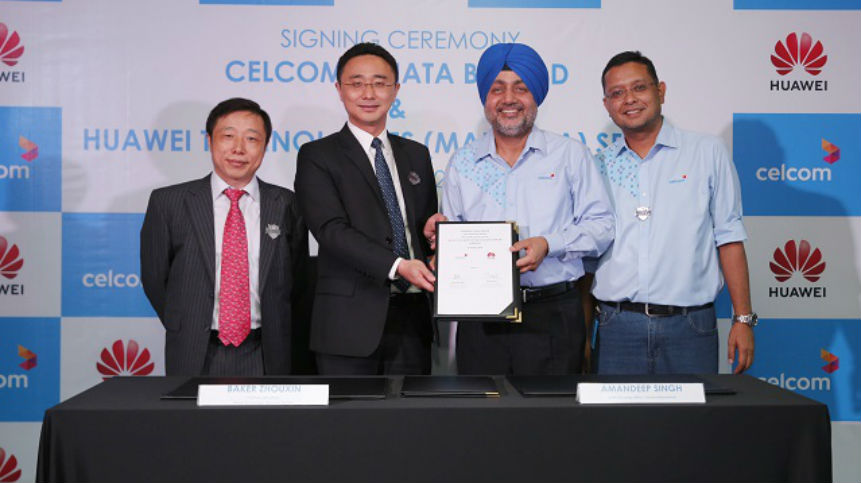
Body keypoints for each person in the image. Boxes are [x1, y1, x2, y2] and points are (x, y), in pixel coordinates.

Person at [425, 43, 615, 375]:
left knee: (550, 409)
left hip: (553, 314)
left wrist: (549, 244)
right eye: (497, 89)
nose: (509, 99)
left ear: (536, 96)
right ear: (485, 98)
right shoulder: (463, 161)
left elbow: (602, 226)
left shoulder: (570, 155)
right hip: (480, 319)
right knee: (482, 408)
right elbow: (453, 233)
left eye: (521, 88)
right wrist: (442, 247)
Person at [590, 51, 755, 375]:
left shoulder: (706, 153)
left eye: (639, 87)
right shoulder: (598, 167)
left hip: (689, 327)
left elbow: (729, 237)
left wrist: (743, 319)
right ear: (607, 105)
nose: (629, 99)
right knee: (617, 412)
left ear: (661, 91)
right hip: (616, 328)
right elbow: (587, 257)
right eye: (617, 93)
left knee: (692, 411)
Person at [294, 43, 438, 375]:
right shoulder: (318, 155)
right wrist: (397, 265)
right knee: (350, 412)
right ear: (339, 89)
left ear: (396, 89)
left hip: (413, 318)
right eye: (357, 83)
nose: (369, 93)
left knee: (413, 409)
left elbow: (421, 230)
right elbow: (330, 230)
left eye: (379, 83)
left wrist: (436, 238)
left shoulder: (417, 154)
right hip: (348, 324)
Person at [140, 97, 308, 376]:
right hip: (194, 351)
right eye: (228, 136)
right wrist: (185, 324)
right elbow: (155, 279)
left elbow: (297, 281)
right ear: (210, 140)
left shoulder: (286, 204)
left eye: (251, 139)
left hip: (267, 352)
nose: (238, 148)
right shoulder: (169, 203)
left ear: (265, 146)